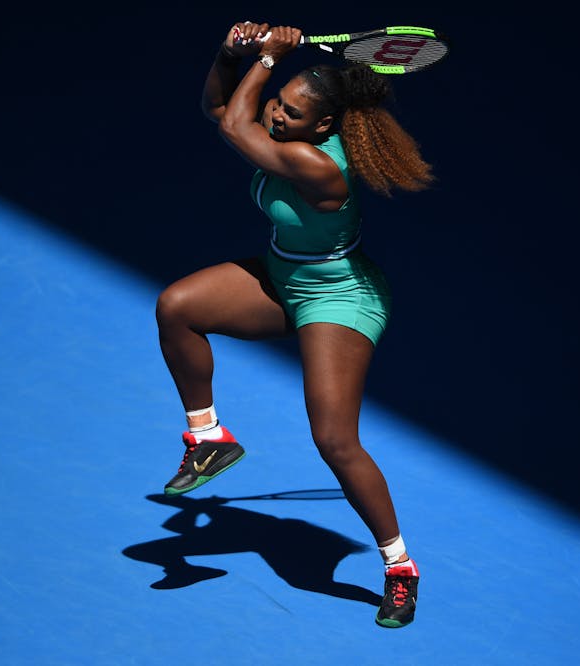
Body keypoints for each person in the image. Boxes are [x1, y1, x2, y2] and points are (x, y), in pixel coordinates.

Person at [154, 20, 434, 628]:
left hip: (338, 298)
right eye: (277, 104)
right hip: (285, 278)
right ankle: (208, 441)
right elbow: (221, 107)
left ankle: (399, 568)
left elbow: (233, 125)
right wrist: (233, 56)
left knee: (335, 439)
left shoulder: (320, 168)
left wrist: (270, 56)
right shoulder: (290, 132)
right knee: (178, 306)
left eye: (291, 113)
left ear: (323, 128)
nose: (277, 116)